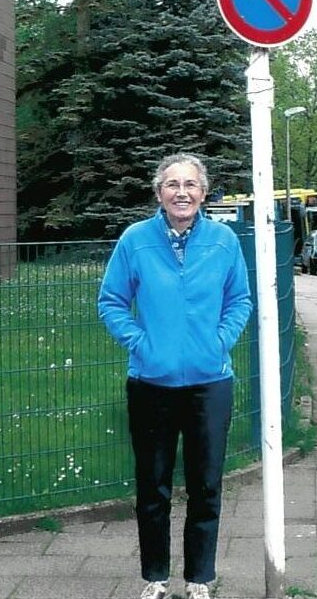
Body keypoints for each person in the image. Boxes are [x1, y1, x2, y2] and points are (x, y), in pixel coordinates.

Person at [98, 153, 252, 599]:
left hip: (209, 384)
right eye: (172, 184)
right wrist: (142, 344)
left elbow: (239, 300)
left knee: (206, 485)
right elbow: (110, 302)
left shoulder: (223, 241)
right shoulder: (136, 240)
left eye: (190, 184)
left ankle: (200, 578)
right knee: (153, 486)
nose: (181, 192)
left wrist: (217, 343)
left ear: (204, 192)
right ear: (158, 192)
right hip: (151, 384)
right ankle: (155, 578)